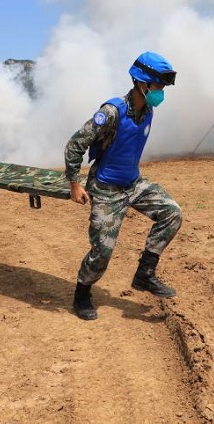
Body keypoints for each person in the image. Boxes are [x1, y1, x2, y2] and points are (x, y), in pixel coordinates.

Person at [64, 51, 183, 321]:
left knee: (172, 212)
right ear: (141, 83)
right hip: (106, 189)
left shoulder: (148, 111)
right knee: (102, 252)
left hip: (133, 183)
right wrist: (75, 183)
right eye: (158, 86)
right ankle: (82, 293)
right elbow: (75, 145)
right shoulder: (111, 112)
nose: (161, 92)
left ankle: (145, 273)